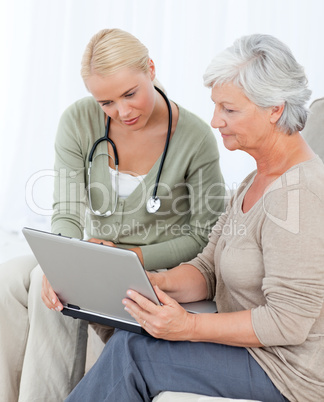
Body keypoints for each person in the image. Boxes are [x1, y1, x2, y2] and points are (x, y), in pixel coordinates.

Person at [65, 33, 324, 402]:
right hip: (252, 353)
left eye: (230, 110)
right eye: (216, 106)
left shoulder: (301, 193)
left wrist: (189, 326)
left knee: (134, 354)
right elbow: (207, 269)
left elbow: (288, 321)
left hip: (286, 370)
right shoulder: (256, 180)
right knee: (130, 334)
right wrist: (151, 283)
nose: (216, 120)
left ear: (275, 109)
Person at [0, 28, 225, 402]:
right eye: (106, 102)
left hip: (150, 268)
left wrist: (129, 257)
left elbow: (204, 235)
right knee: (8, 277)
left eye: (130, 94)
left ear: (150, 69)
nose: (122, 112)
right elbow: (68, 210)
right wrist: (66, 254)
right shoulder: (79, 121)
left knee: (48, 279)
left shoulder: (195, 137)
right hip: (94, 254)